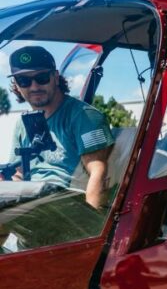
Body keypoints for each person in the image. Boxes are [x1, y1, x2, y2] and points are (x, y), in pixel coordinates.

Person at [3, 46, 114, 210]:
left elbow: (99, 173)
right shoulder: (23, 123)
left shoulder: (84, 116)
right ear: (17, 86)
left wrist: (92, 227)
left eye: (41, 78)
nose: (34, 87)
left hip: (65, 205)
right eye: (24, 81)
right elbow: (18, 174)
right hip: (30, 203)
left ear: (55, 77)